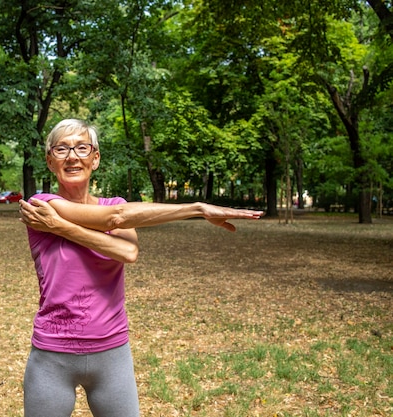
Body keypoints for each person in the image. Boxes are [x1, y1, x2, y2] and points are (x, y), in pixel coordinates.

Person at [18, 119, 263, 417]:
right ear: (49, 160)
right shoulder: (42, 205)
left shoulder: (108, 204)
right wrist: (195, 209)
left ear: (95, 158)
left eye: (82, 147)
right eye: (61, 148)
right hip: (52, 355)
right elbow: (114, 220)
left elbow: (128, 251)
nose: (72, 156)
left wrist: (60, 228)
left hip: (111, 352)